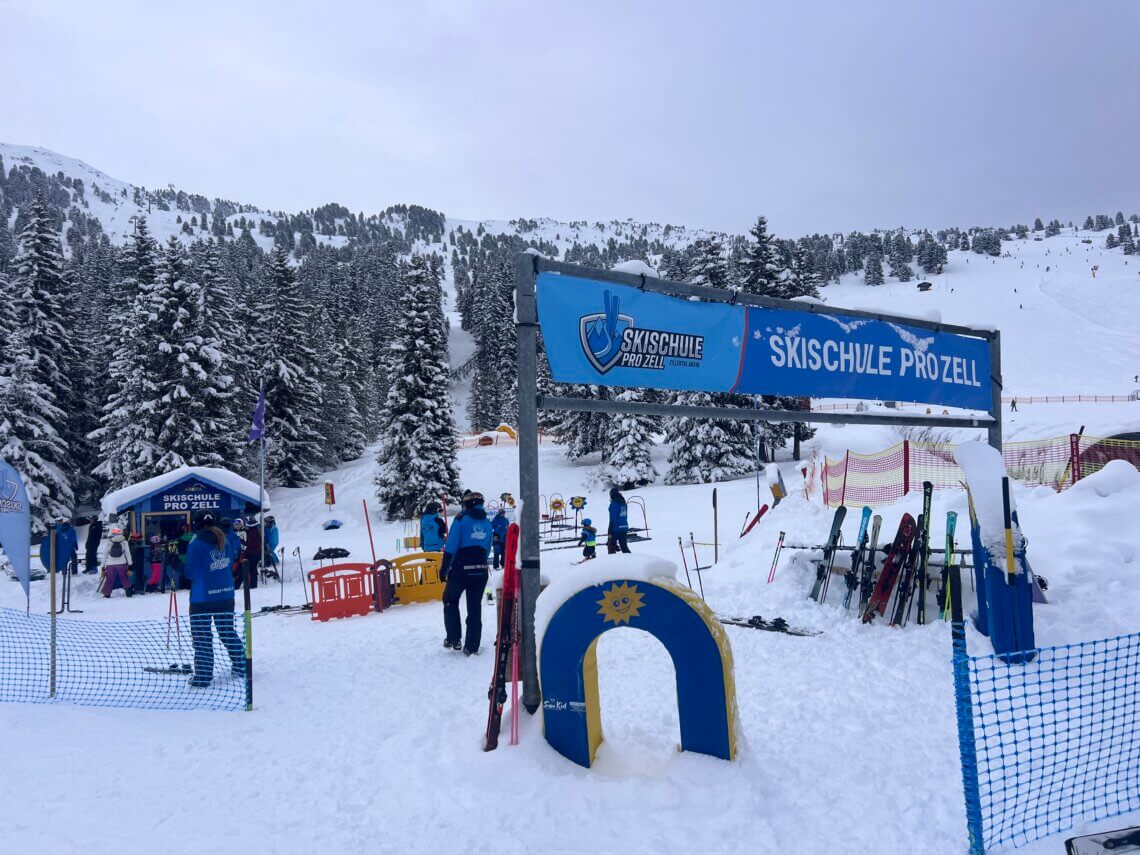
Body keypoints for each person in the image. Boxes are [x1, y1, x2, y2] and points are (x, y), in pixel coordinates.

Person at [183, 512, 245, 688]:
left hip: (202, 597)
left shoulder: (196, 542)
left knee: (202, 636)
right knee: (227, 631)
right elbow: (231, 559)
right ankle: (242, 665)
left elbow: (190, 572)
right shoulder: (224, 539)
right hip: (225, 594)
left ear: (197, 524)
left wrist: (177, 564)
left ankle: (203, 677)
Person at [440, 491, 493, 655]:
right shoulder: (487, 523)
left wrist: (444, 569)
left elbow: (451, 546)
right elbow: (487, 548)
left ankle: (453, 639)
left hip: (461, 569)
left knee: (450, 600)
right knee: (474, 607)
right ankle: (472, 646)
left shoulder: (461, 519)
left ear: (467, 504)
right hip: (481, 571)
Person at [99, 529, 133, 598]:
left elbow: (104, 555)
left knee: (109, 579)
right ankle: (129, 593)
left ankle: (107, 594)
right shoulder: (124, 542)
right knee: (124, 578)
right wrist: (130, 565)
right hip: (122, 563)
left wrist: (102, 567)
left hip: (110, 564)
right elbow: (128, 554)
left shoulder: (109, 542)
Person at [607, 488, 631, 554]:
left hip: (615, 528)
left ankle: (612, 560)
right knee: (624, 546)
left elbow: (613, 518)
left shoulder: (614, 504)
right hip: (624, 527)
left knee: (611, 546)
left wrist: (609, 530)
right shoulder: (623, 503)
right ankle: (630, 559)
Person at [243, 516, 262, 588]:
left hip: (252, 553)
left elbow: (249, 543)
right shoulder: (257, 530)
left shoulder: (252, 532)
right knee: (253, 569)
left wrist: (244, 545)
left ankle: (252, 585)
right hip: (256, 553)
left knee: (251, 569)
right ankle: (253, 584)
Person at [263, 516, 280, 580]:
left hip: (272, 543)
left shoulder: (273, 528)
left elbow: (274, 539)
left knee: (270, 551)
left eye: (267, 522)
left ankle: (275, 561)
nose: (266, 523)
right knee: (268, 551)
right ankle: (273, 560)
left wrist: (269, 544)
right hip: (267, 542)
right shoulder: (266, 527)